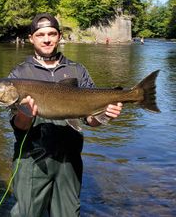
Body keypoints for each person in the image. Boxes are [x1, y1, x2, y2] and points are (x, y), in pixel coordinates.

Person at [8, 13, 123, 217]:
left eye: (52, 33)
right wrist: (26, 113)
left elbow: (90, 120)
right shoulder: (18, 75)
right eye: (40, 34)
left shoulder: (77, 70)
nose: (46, 39)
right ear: (31, 38)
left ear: (59, 36)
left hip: (69, 159)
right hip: (32, 159)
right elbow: (19, 126)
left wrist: (105, 115)